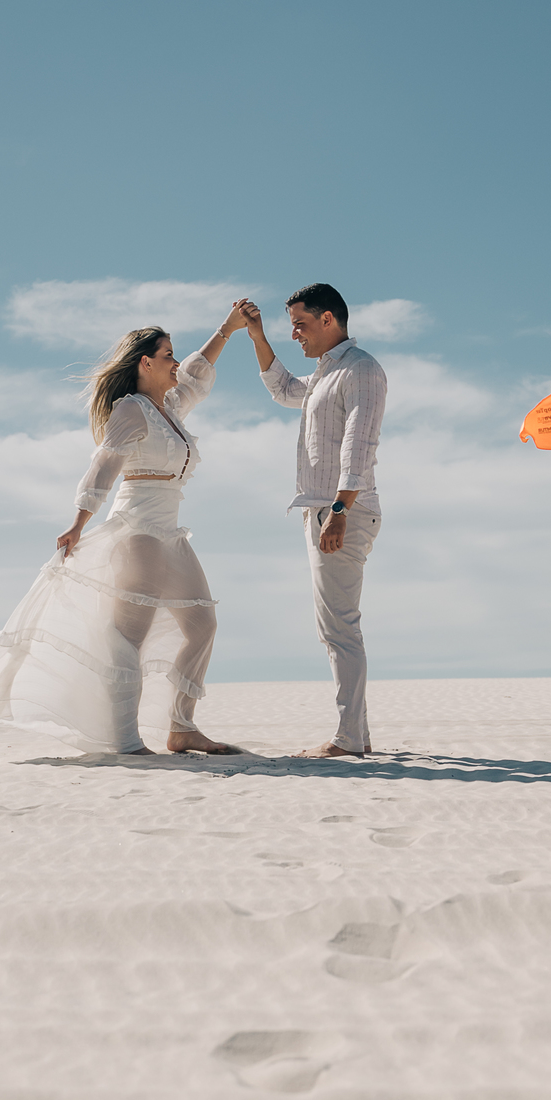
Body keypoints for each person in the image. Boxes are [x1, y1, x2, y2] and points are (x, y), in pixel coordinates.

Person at [0, 309, 248, 756]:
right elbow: (104, 465)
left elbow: (199, 375)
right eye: (168, 355)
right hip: (139, 531)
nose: (176, 362)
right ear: (145, 363)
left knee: (203, 624)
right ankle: (125, 739)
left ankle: (182, 727)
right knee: (130, 635)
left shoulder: (170, 408)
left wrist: (228, 329)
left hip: (171, 532)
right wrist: (79, 521)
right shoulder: (132, 409)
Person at [238, 284, 387, 758]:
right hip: (323, 509)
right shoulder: (325, 375)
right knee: (334, 627)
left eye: (300, 324)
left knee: (340, 627)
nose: (296, 335)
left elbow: (359, 447)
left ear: (329, 320)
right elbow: (284, 389)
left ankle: (348, 740)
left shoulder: (361, 370)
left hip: (341, 509)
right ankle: (357, 736)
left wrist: (339, 511)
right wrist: (258, 336)